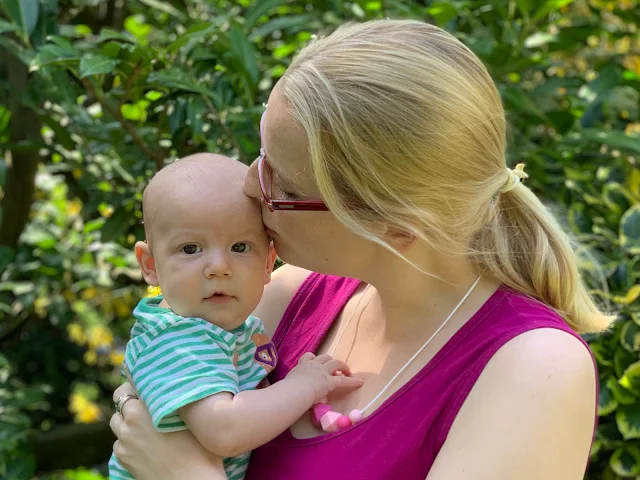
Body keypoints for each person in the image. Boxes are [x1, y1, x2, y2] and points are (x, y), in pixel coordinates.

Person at [109, 19, 612, 480]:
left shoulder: (533, 371)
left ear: (394, 225)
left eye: (280, 184)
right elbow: (150, 398)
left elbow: (163, 449)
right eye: (262, 156)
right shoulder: (281, 300)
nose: (246, 186)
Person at [108, 154, 363, 480]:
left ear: (269, 262)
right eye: (190, 249)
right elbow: (224, 429)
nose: (219, 267)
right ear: (150, 265)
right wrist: (305, 386)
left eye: (240, 247)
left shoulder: (239, 330)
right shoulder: (174, 339)